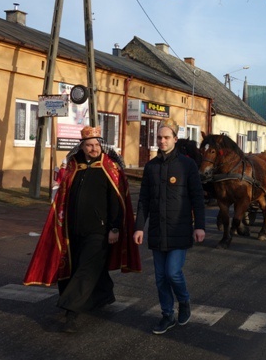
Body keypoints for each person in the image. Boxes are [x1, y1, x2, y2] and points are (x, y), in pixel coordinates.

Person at [24, 126, 141, 333]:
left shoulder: (109, 167)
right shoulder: (73, 167)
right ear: (83, 146)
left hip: (100, 231)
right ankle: (104, 294)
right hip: (73, 230)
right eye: (89, 145)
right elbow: (61, 196)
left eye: (97, 145)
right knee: (76, 266)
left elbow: (117, 201)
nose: (94, 148)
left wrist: (114, 228)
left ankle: (71, 312)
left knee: (85, 270)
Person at [134, 118, 206, 335]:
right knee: (160, 277)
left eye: (166, 137)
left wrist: (200, 226)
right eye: (159, 137)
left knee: (173, 273)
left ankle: (183, 301)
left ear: (175, 139)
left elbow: (197, 197)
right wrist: (139, 227)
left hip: (179, 229)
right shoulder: (151, 167)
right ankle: (167, 315)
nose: (162, 141)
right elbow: (144, 200)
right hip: (157, 229)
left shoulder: (187, 165)